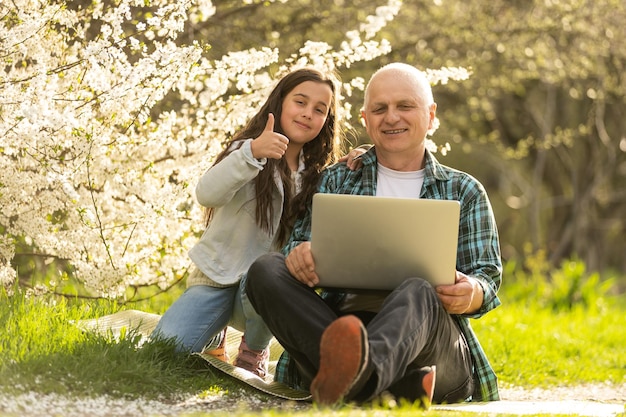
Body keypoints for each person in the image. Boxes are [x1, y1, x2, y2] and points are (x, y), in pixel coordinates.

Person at [245, 62, 502, 406]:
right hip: (342, 325)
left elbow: (487, 275)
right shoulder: (338, 180)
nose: (391, 117)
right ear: (366, 119)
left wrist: (472, 292)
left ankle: (356, 380)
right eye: (380, 109)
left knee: (418, 287)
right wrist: (299, 255)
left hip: (431, 345)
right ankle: (378, 386)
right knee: (266, 270)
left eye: (404, 106)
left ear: (431, 114)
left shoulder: (464, 190)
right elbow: (298, 245)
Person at [151, 67, 364, 378]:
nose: (307, 114)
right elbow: (206, 193)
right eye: (300, 102)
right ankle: (214, 334)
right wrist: (252, 153)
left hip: (261, 296)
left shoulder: (318, 175)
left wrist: (357, 159)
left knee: (271, 273)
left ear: (327, 121)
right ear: (280, 102)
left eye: (320, 110)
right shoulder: (246, 151)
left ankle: (254, 350)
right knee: (165, 352)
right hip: (216, 279)